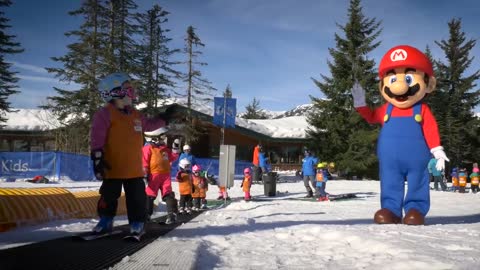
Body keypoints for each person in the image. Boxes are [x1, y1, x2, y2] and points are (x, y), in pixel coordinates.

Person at [352, 45, 449, 225]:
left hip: (417, 159)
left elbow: (430, 129)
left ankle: (415, 209)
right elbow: (371, 117)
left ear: (429, 84)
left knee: (418, 182)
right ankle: (391, 209)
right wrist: (361, 105)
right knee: (389, 182)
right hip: (390, 160)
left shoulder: (422, 109)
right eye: (393, 78)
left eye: (409, 78)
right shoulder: (385, 109)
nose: (399, 86)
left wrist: (437, 151)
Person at [90, 72, 165, 236]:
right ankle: (106, 220)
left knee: (137, 199)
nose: (133, 93)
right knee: (108, 196)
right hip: (113, 166)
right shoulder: (105, 114)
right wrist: (97, 158)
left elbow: (150, 125)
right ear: (115, 92)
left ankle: (137, 223)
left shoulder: (135, 114)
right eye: (128, 89)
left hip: (134, 169)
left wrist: (164, 118)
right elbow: (97, 138)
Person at [143, 127, 179, 224]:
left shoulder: (164, 149)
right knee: (149, 195)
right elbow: (144, 162)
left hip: (165, 176)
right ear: (154, 138)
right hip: (153, 176)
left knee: (168, 194)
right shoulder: (148, 149)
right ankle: (146, 214)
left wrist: (175, 150)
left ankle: (172, 214)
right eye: (162, 137)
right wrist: (145, 173)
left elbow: (171, 158)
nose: (164, 139)